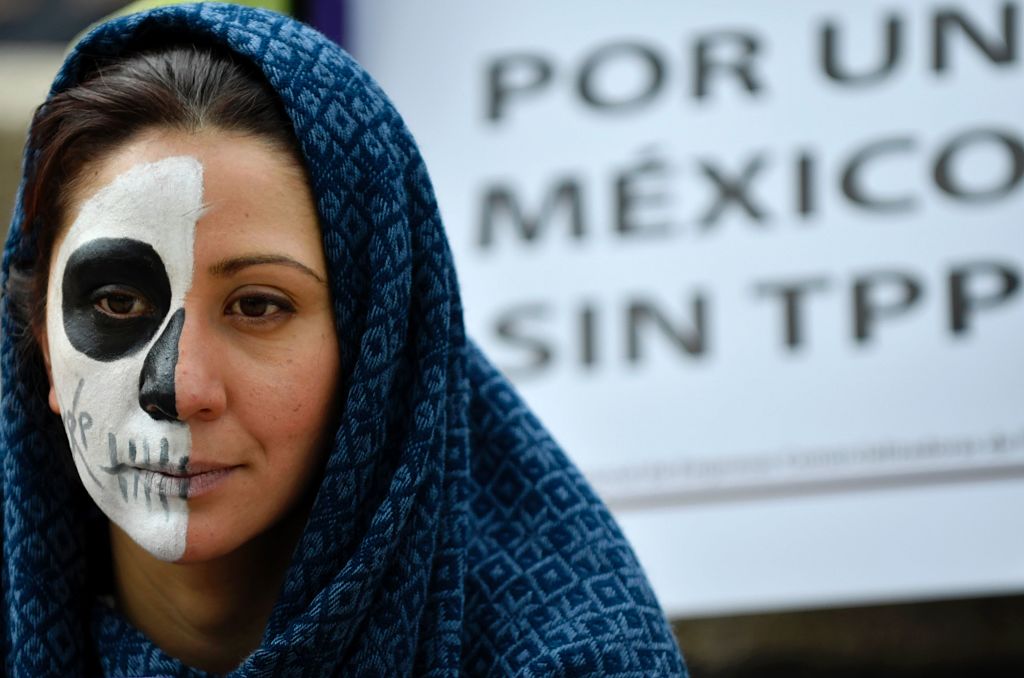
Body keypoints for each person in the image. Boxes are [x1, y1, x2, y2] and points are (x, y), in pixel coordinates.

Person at [0, 3, 688, 676]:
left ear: (376, 351)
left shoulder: (573, 659)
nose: (179, 389)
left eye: (258, 305)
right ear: (41, 340)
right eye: (117, 301)